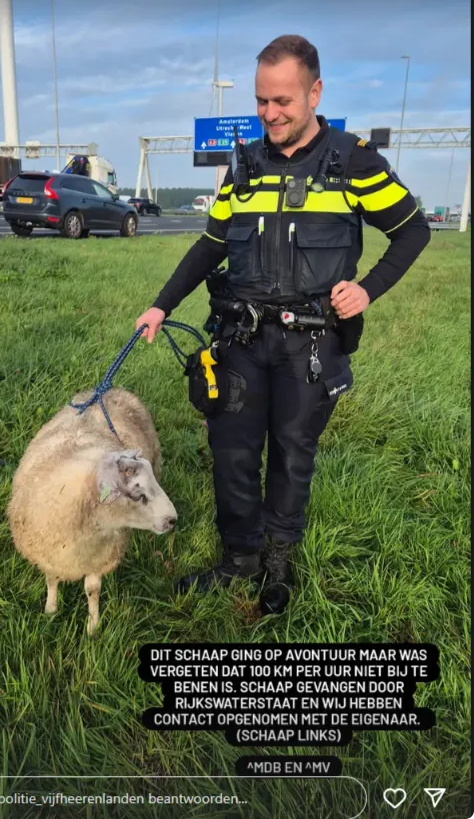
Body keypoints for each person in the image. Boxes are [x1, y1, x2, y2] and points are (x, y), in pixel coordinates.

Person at [135, 35, 430, 616]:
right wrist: (161, 304)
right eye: (261, 101)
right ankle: (239, 557)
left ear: (314, 92)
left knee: (292, 455)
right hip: (240, 339)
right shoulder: (243, 165)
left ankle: (278, 563)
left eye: (283, 101)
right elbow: (211, 243)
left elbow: (414, 230)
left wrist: (366, 288)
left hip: (312, 346)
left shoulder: (354, 161)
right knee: (233, 452)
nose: (271, 114)